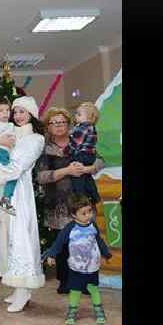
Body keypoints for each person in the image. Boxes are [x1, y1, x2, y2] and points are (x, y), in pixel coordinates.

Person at [0, 96, 46, 313]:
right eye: (15, 112)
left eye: (22, 112)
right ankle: (17, 288)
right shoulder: (7, 131)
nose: (17, 116)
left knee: (19, 237)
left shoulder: (35, 139)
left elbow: (18, 166)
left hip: (19, 193)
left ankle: (24, 290)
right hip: (2, 192)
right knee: (5, 237)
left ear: (31, 114)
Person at [35, 108, 104, 294]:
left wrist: (87, 169)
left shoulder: (80, 141)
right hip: (57, 205)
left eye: (62, 122)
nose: (59, 126)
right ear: (48, 126)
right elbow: (41, 177)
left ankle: (87, 283)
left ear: (69, 124)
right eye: (54, 122)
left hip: (82, 202)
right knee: (64, 245)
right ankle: (65, 281)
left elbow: (100, 161)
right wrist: (67, 171)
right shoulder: (44, 149)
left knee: (87, 243)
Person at [43, 193, 112, 325]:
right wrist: (52, 255)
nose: (88, 215)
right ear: (74, 215)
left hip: (92, 266)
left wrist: (106, 254)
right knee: (75, 290)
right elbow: (59, 242)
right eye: (84, 213)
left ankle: (98, 310)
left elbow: (99, 241)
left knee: (93, 288)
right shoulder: (70, 228)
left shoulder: (93, 226)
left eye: (90, 211)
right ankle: (72, 311)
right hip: (76, 267)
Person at [64, 102, 100, 201]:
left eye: (79, 114)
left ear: (89, 118)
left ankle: (79, 197)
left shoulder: (82, 128)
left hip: (81, 155)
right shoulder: (91, 127)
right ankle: (94, 196)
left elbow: (75, 143)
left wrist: (66, 151)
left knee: (77, 176)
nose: (75, 116)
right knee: (87, 177)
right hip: (90, 156)